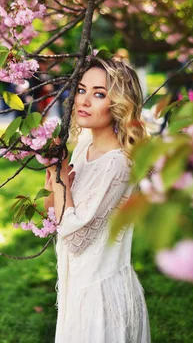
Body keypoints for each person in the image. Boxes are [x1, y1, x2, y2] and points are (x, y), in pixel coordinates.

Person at [44, 57, 150, 343]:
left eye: (99, 94)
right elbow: (57, 214)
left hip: (99, 296)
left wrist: (60, 182)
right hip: (76, 287)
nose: (85, 101)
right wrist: (56, 182)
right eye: (81, 90)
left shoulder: (118, 164)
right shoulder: (84, 145)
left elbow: (77, 240)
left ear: (119, 103)